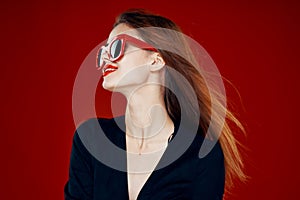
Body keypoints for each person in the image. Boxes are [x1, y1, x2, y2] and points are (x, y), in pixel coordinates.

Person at [64, 9, 246, 200]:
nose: (106, 59)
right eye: (103, 52)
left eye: (117, 47)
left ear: (156, 60)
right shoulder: (92, 139)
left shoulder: (201, 155)